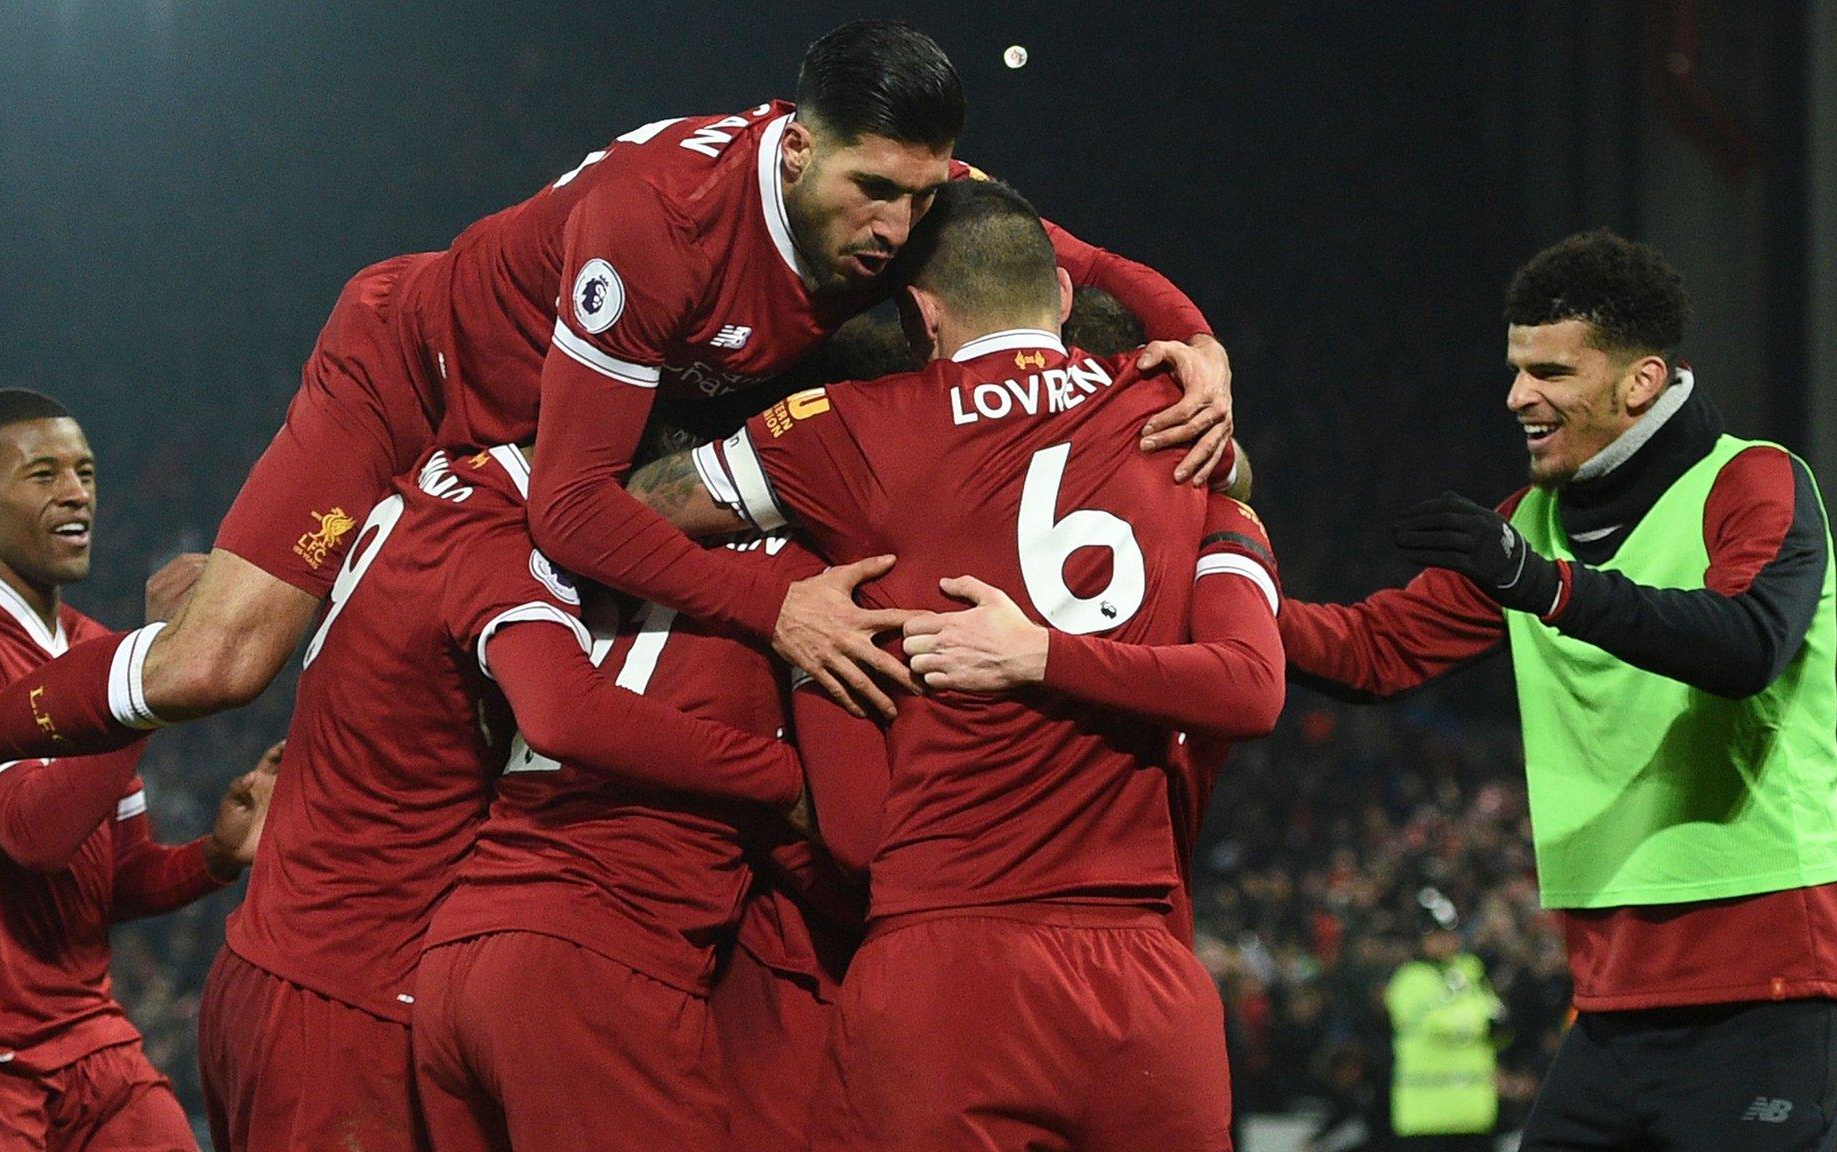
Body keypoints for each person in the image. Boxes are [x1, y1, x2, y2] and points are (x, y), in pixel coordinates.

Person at [0, 21, 1235, 886]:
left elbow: (1083, 264)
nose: (892, 229)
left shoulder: (919, 194)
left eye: (917, 200)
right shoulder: (651, 226)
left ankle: (258, 570)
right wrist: (773, 605)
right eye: (870, 189)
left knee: (361, 641)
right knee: (219, 670)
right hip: (414, 382)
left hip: (542, 430)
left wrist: (1200, 343)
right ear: (796, 143)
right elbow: (581, 510)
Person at [624, 178, 1284, 1151]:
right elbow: (1236, 497)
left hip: (945, 964)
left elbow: (641, 505)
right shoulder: (1169, 413)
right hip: (1141, 967)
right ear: (1058, 296)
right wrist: (1197, 351)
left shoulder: (850, 426)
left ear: (920, 314)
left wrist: (779, 593)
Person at [1279, 230, 1837, 1151]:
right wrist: (1216, 588)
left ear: (1641, 382)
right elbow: (1375, 652)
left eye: (1549, 372)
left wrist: (1544, 585)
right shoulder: (1530, 527)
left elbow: (1746, 644)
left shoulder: (1754, 479)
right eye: (1514, 368)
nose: (1516, 397)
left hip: (1767, 987)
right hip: (1611, 997)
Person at [200, 437, 810, 1152]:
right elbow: (563, 714)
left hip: (275, 963)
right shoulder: (503, 536)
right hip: (349, 1001)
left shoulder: (429, 477)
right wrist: (779, 777)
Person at [0, 389, 276, 1151]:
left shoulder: (98, 652)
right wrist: (149, 676)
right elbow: (32, 834)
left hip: (93, 1041)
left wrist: (216, 857)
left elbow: (116, 880)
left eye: (86, 473)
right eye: (43, 474)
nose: (76, 494)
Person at [1384, 890, 1504, 1152]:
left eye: (1450, 934)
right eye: (1437, 935)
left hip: (1475, 1115)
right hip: (1425, 1119)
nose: (1446, 941)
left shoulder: (1470, 970)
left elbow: (1500, 1022)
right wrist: (1479, 1019)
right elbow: (1437, 1023)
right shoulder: (1409, 980)